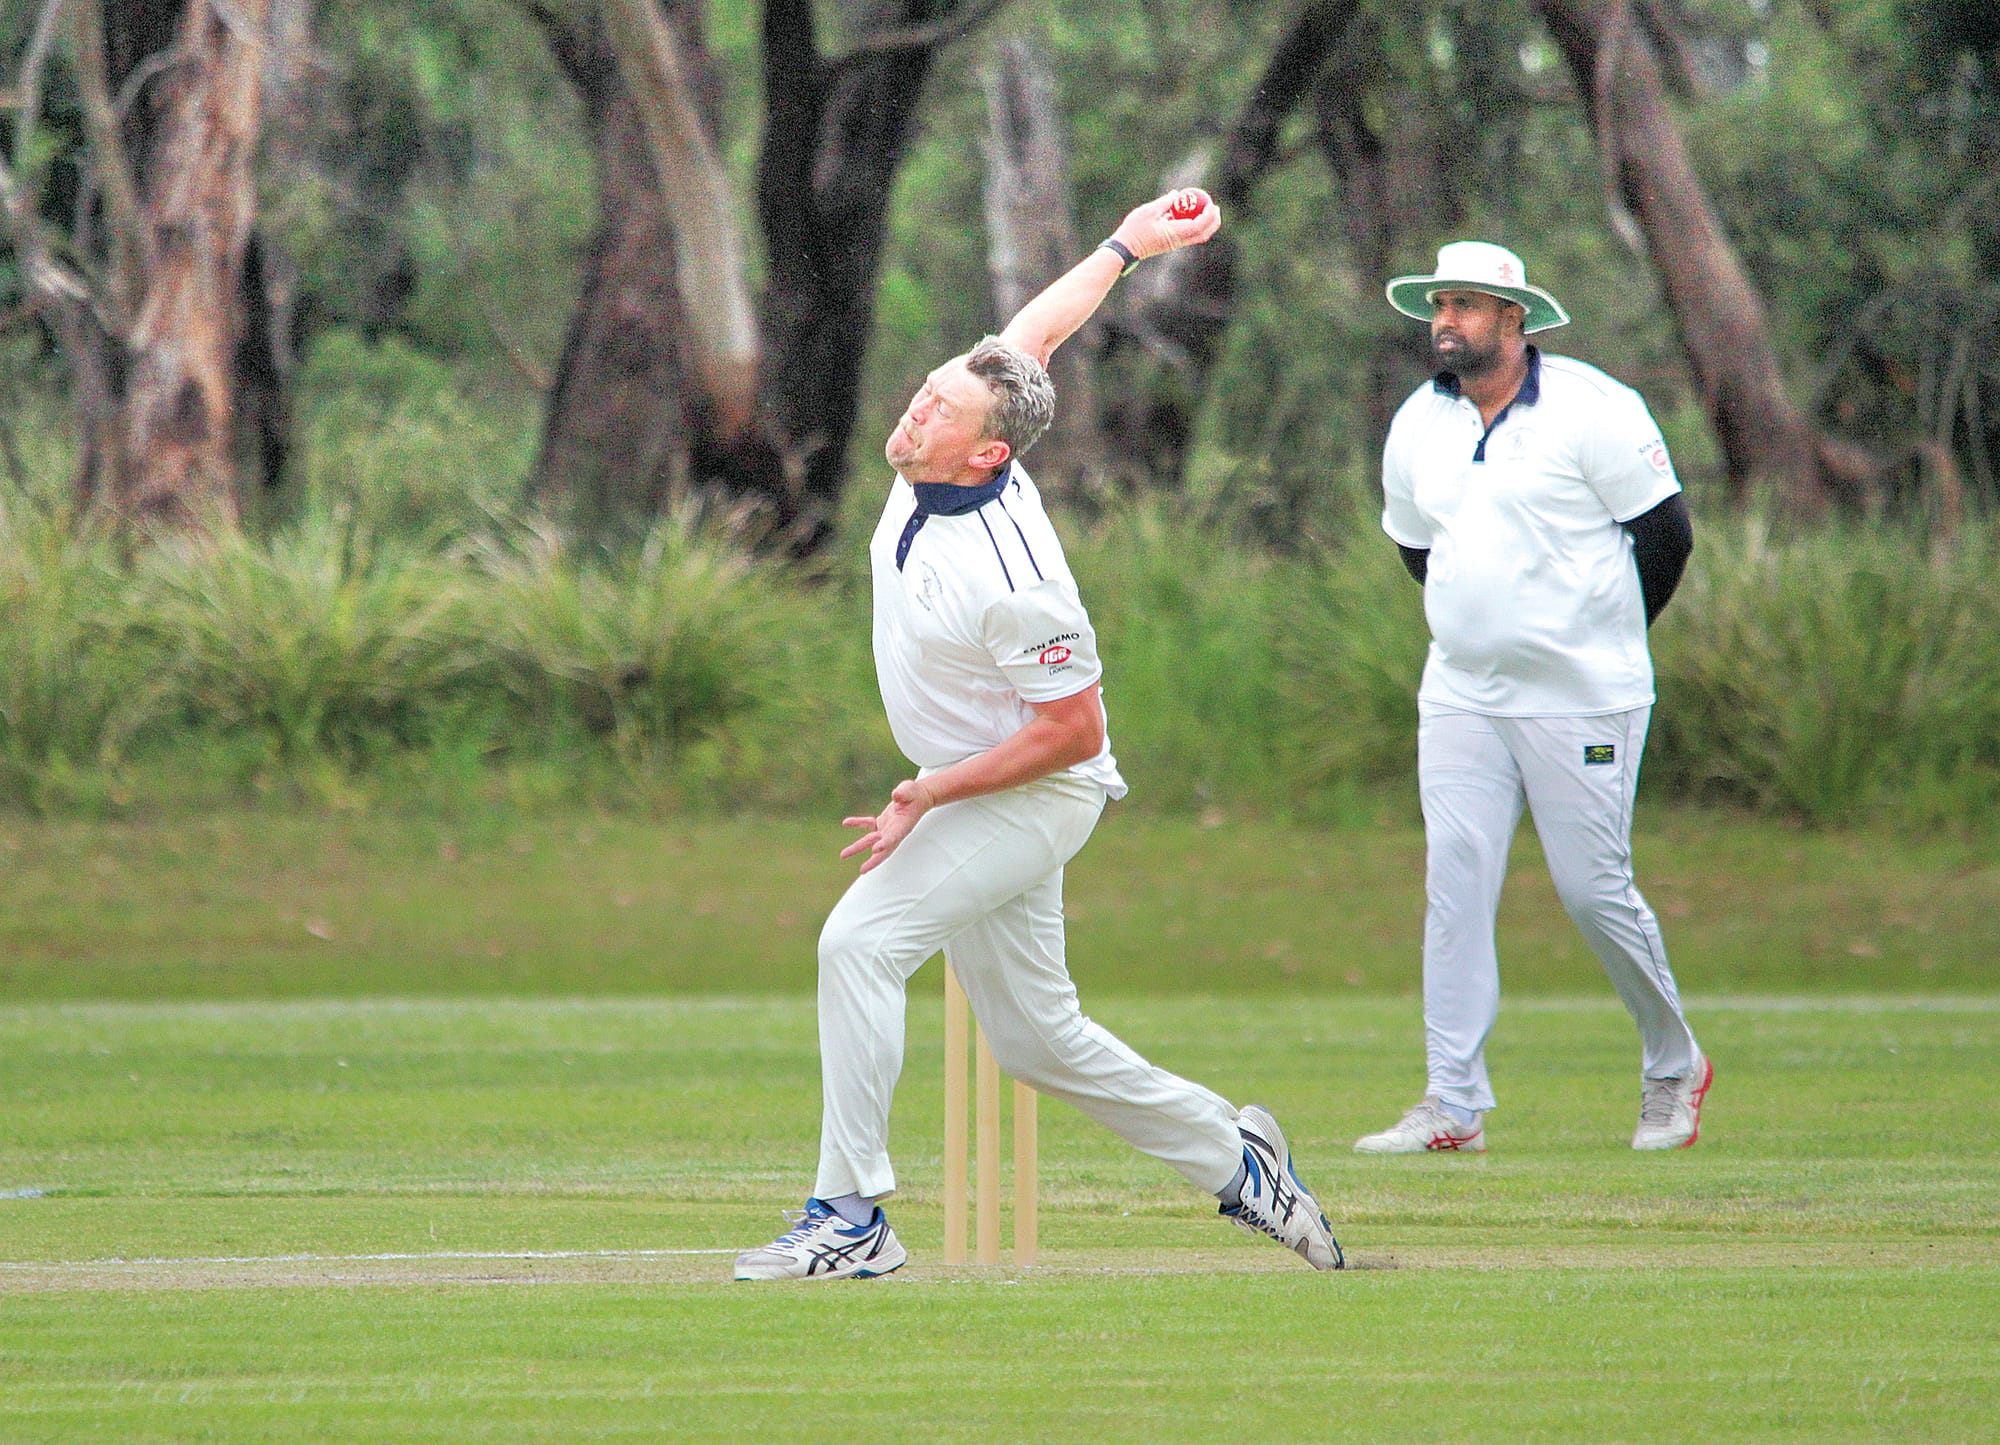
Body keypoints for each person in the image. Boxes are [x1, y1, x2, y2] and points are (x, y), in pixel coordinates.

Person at [735, 190, 1343, 1280]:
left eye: (937, 413)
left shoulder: (1018, 584)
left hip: (1028, 794)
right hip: (971, 786)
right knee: (1033, 1039)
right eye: (924, 393)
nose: (914, 413)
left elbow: (1073, 734)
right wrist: (1127, 241)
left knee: (857, 944)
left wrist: (933, 790)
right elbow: (1036, 334)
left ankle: (851, 1218)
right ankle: (1239, 1158)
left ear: (986, 457)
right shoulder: (956, 436)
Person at [1354, 241, 1708, 1156]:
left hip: (1586, 696)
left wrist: (1599, 637)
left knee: (1593, 890)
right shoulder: (1417, 422)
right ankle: (1452, 1104)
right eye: (1440, 304)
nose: (1446, 322)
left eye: (1467, 305)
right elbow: (1416, 547)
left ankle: (1675, 1066)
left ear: (1515, 318)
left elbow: (1665, 538)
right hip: (1463, 695)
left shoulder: (1595, 408)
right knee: (1455, 887)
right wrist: (1479, 621)